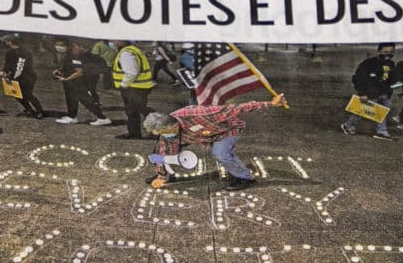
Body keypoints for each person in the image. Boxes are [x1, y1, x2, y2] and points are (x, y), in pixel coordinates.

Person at [143, 94, 287, 190]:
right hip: (200, 135)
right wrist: (162, 177)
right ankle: (168, 176)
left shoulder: (198, 114)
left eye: (167, 132)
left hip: (226, 130)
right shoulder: (166, 134)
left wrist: (270, 104)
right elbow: (164, 154)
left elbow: (236, 108)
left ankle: (245, 178)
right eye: (161, 134)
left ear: (174, 125)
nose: (166, 136)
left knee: (220, 154)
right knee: (159, 151)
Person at [343, 44, 402, 139]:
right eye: (385, 52)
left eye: (391, 52)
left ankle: (381, 131)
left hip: (384, 93)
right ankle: (348, 124)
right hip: (371, 93)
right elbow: (358, 78)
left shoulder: (391, 64)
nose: (388, 54)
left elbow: (392, 79)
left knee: (383, 112)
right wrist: (362, 93)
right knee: (363, 111)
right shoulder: (368, 63)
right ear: (379, 51)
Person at [50, 38, 113, 125]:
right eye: (57, 45)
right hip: (72, 80)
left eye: (61, 45)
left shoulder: (74, 54)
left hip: (80, 80)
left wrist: (66, 79)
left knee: (84, 99)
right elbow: (69, 65)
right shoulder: (67, 53)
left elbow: (79, 72)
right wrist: (60, 70)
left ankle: (102, 118)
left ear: (68, 46)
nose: (58, 47)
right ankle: (72, 116)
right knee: (71, 98)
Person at [110, 38, 155, 139]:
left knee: (138, 111)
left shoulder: (126, 53)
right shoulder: (132, 50)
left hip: (134, 87)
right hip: (139, 87)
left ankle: (166, 128)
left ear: (122, 41)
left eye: (115, 40)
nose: (112, 42)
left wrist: (123, 84)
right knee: (134, 111)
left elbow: (132, 72)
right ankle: (134, 134)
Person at [0, 35, 47, 118]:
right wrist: (4, 71)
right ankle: (29, 110)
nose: (4, 43)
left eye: (6, 41)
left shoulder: (24, 52)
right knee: (16, 94)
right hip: (16, 76)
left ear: (10, 42)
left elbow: (21, 67)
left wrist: (12, 76)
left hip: (27, 77)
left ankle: (40, 112)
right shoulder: (9, 53)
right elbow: (7, 64)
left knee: (28, 95)